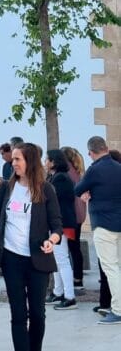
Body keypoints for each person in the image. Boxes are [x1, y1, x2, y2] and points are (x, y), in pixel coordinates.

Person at [0, 142, 62, 351]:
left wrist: (51, 241)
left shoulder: (46, 189)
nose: (14, 163)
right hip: (12, 259)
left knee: (37, 313)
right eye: (14, 159)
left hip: (38, 259)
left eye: (18, 159)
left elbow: (57, 226)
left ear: (30, 162)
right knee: (18, 313)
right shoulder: (8, 188)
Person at [74, 135, 121, 325]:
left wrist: (88, 193)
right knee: (117, 267)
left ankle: (118, 310)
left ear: (90, 153)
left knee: (111, 268)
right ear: (107, 148)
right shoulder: (119, 167)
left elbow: (78, 189)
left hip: (103, 223)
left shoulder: (94, 170)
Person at [44, 149, 77, 310]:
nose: (45, 162)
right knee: (56, 260)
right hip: (57, 224)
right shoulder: (57, 177)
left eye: (47, 159)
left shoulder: (61, 179)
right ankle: (58, 292)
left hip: (61, 224)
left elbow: (55, 202)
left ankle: (69, 296)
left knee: (62, 260)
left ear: (53, 161)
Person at [61, 145, 86, 288]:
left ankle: (76, 279)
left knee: (70, 248)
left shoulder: (66, 172)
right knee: (75, 247)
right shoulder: (78, 171)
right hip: (79, 215)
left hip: (71, 216)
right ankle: (78, 278)